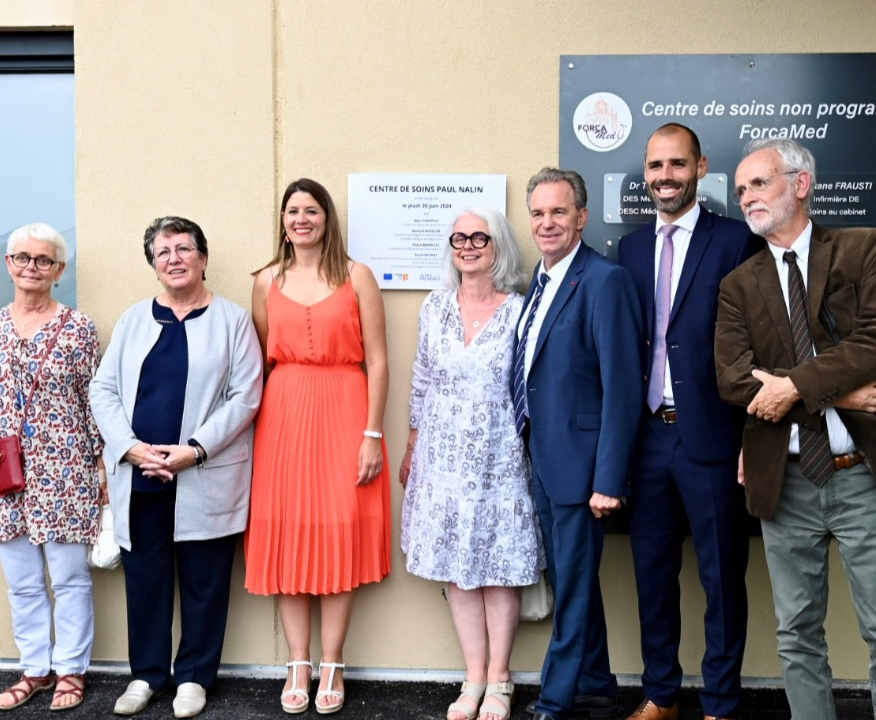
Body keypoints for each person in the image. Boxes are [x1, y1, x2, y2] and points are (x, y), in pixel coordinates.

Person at [715, 138, 876, 720]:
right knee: (796, 634)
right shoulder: (739, 285)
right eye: (740, 189)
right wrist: (836, 391)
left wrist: (789, 386)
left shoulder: (865, 250)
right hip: (785, 481)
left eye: (759, 183)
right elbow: (736, 381)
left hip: (865, 473)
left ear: (800, 184)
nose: (746, 198)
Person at [616, 124, 764, 720]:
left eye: (676, 164)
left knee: (722, 577)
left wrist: (753, 435)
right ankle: (660, 695)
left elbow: (760, 340)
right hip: (649, 436)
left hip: (714, 438)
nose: (664, 177)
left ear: (701, 168)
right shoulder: (627, 249)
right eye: (655, 166)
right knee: (652, 573)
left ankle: (721, 704)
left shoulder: (735, 241)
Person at [90, 216, 263, 719]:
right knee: (145, 580)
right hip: (140, 472)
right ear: (153, 265)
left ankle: (193, 677)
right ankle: (146, 674)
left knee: (205, 581)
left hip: (203, 472)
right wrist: (130, 447)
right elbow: (102, 390)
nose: (174, 259)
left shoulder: (232, 321)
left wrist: (194, 449)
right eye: (162, 252)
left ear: (203, 258)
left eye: (183, 248)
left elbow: (245, 395)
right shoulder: (133, 320)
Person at [244, 178, 391, 716]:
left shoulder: (357, 277)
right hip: (283, 415)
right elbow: (258, 361)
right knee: (287, 535)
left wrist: (372, 433)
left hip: (345, 409)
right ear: (282, 220)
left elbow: (377, 359)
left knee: (337, 533)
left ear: (327, 218)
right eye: (292, 211)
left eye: (311, 210)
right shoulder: (265, 281)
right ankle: (297, 662)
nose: (301, 219)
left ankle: (333, 661)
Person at [0, 222, 104, 711]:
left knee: (70, 578)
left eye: (43, 260)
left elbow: (94, 401)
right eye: (23, 258)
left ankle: (72, 672)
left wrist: (101, 470)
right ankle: (35, 668)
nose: (31, 267)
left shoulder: (78, 329)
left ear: (60, 270)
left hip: (66, 469)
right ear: (8, 264)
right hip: (3, 472)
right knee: (21, 580)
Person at [399, 207, 544, 720]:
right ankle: (473, 677)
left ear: (498, 245)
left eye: (479, 237)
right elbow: (421, 379)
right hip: (442, 455)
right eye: (459, 237)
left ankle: (500, 681)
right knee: (459, 570)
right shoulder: (434, 307)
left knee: (498, 568)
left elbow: (532, 386)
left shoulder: (520, 310)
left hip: (499, 453)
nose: (467, 245)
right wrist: (413, 443)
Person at [515, 168, 642, 720]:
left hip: (584, 467)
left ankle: (556, 696)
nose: (548, 223)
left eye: (559, 212)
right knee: (574, 575)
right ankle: (595, 681)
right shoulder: (538, 285)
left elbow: (622, 387)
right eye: (539, 213)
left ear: (582, 217)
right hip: (544, 461)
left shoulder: (603, 281)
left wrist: (608, 480)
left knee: (570, 584)